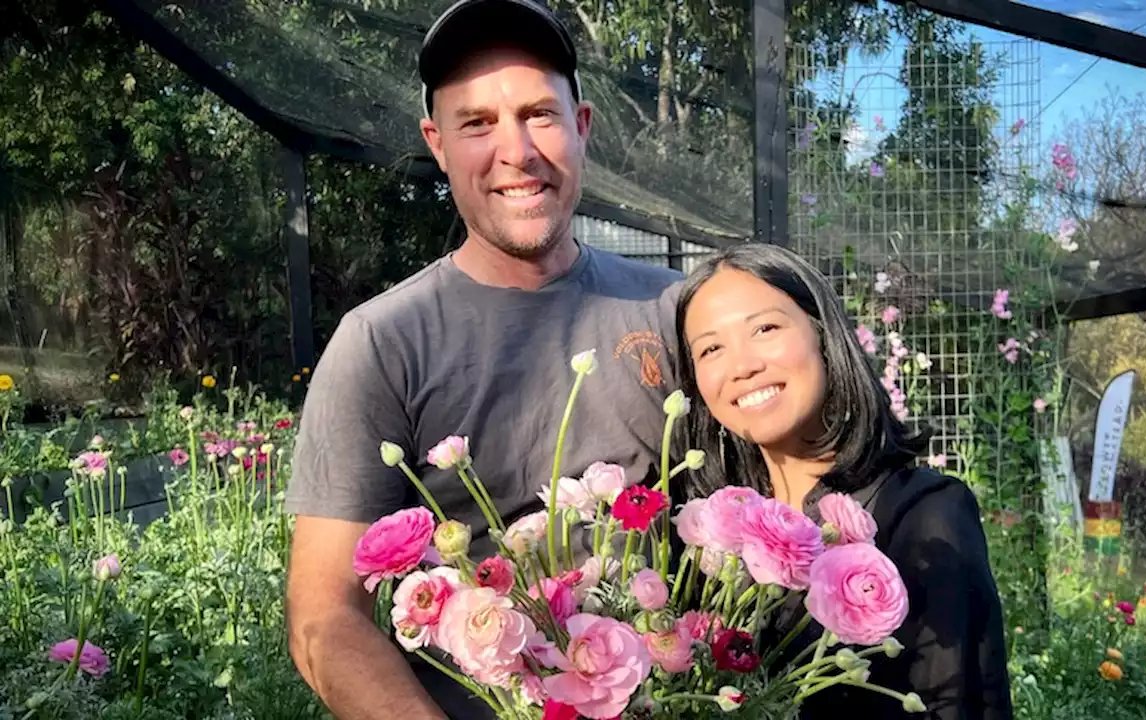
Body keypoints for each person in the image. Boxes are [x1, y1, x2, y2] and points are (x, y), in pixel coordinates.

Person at [281, 2, 683, 718]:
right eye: (477, 123)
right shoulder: (382, 343)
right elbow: (324, 618)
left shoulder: (675, 311)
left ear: (581, 127)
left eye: (539, 115)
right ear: (437, 144)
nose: (517, 151)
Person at [672, 243, 1013, 720]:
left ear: (823, 337)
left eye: (765, 329)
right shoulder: (712, 543)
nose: (741, 365)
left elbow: (960, 705)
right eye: (711, 349)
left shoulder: (924, 517)